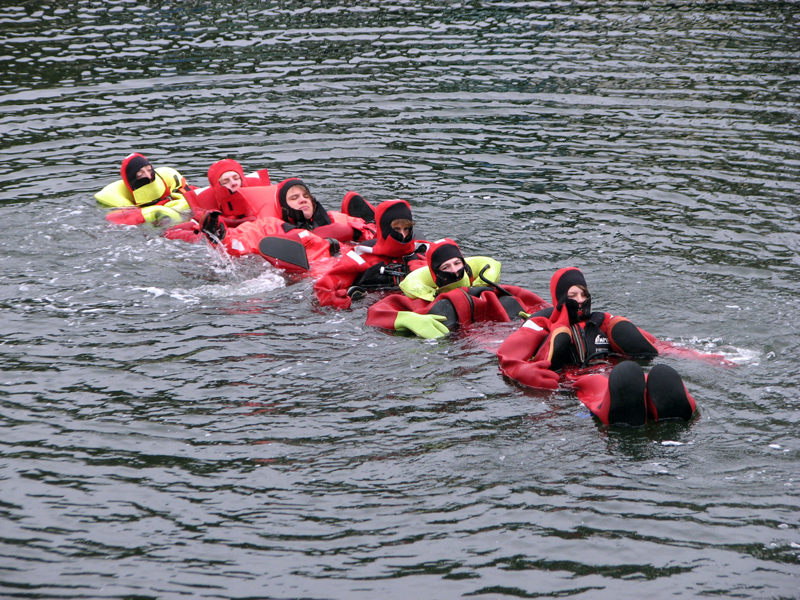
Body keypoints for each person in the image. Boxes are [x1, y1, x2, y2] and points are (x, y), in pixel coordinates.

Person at [495, 267, 701, 426]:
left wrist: (701, 356)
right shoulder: (541, 323)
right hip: (574, 380)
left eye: (584, 294)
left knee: (646, 377)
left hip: (609, 369)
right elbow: (508, 356)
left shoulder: (603, 321)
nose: (581, 300)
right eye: (573, 295)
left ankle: (669, 409)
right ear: (560, 298)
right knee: (602, 383)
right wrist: (525, 372)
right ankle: (613, 411)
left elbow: (655, 344)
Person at [366, 239, 548, 338]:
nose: (454, 271)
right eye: (446, 267)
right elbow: (375, 314)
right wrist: (408, 319)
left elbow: (542, 307)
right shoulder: (422, 301)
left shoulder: (495, 291)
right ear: (435, 274)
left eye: (457, 263)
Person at [314, 199, 428, 309]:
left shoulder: (421, 253)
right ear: (384, 229)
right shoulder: (361, 255)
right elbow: (323, 288)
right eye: (396, 229)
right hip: (370, 311)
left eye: (407, 229)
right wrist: (335, 300)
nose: (403, 235)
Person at [163, 158, 274, 242]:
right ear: (216, 186)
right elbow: (170, 233)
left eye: (236, 178)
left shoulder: (264, 200)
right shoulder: (207, 212)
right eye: (226, 181)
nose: (234, 183)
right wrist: (206, 235)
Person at [95, 153, 193, 225]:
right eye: (140, 175)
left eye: (149, 170)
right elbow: (112, 219)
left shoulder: (179, 191)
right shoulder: (130, 211)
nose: (149, 176)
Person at [275, 178, 375, 244]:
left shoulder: (335, 219)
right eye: (294, 198)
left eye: (306, 196)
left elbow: (373, 232)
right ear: (284, 206)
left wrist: (354, 232)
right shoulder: (274, 227)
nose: (303, 200)